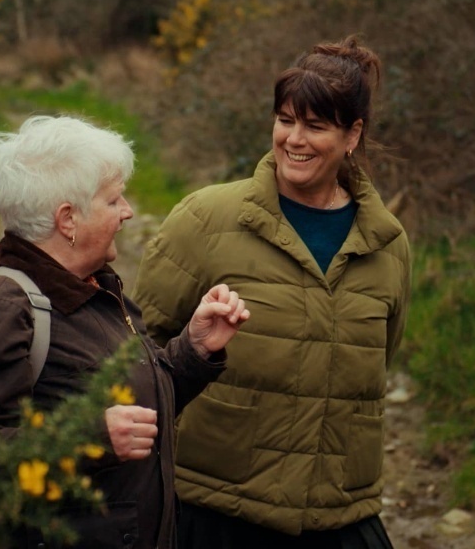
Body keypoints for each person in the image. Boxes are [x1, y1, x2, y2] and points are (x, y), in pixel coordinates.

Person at [133, 35, 410, 549]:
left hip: (340, 517)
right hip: (215, 513)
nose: (294, 139)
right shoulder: (205, 219)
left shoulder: (387, 244)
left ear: (354, 134)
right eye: (286, 120)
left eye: (315, 125)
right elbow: (135, 353)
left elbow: (375, 363)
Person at [0, 114, 250, 549]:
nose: (128, 212)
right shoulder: (2, 307)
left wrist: (193, 352)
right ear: (68, 219)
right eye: (114, 200)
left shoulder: (99, 289)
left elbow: (134, 414)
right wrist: (89, 439)